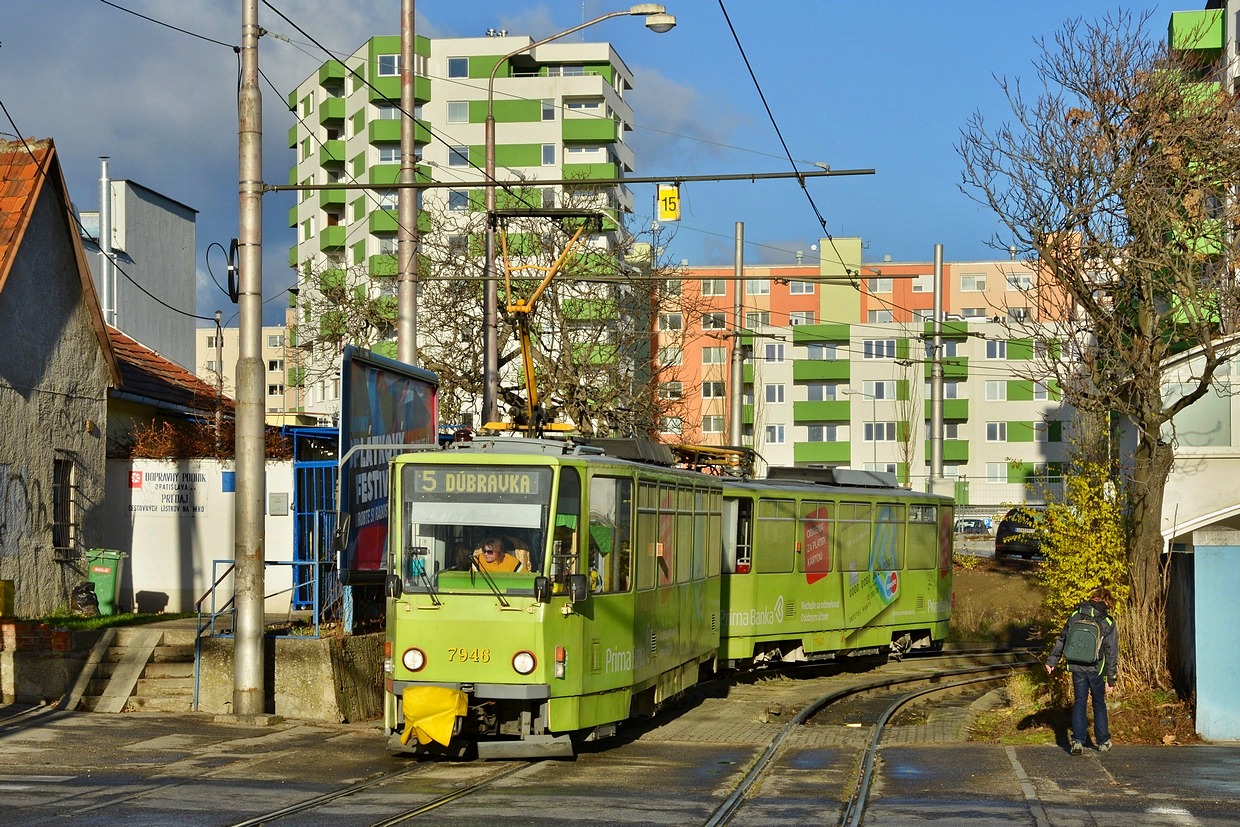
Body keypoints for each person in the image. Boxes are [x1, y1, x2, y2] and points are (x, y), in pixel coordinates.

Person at [1045, 586, 1118, 755]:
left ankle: (1077, 741)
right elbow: (1111, 652)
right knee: (1099, 704)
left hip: (1076, 665)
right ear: (1107, 601)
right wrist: (1111, 678)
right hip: (1096, 668)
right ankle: (1102, 741)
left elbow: (1062, 638)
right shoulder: (1107, 622)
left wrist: (1052, 660)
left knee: (1079, 702)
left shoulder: (1075, 615)